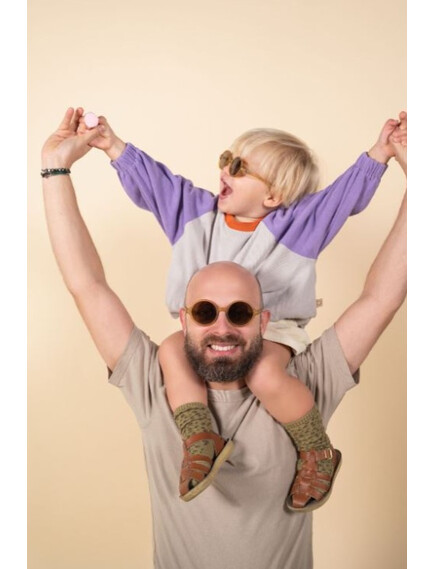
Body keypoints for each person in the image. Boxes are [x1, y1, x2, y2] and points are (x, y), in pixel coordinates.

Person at [42, 108, 406, 569]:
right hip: (194, 353)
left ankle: (316, 448)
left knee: (266, 372)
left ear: (260, 317)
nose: (221, 326)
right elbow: (90, 278)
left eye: (238, 312)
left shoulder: (304, 369)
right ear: (185, 315)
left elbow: (378, 288)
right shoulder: (195, 220)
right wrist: (91, 154)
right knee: (171, 349)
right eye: (203, 311)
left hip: (280, 341)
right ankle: (199, 436)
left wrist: (381, 156)